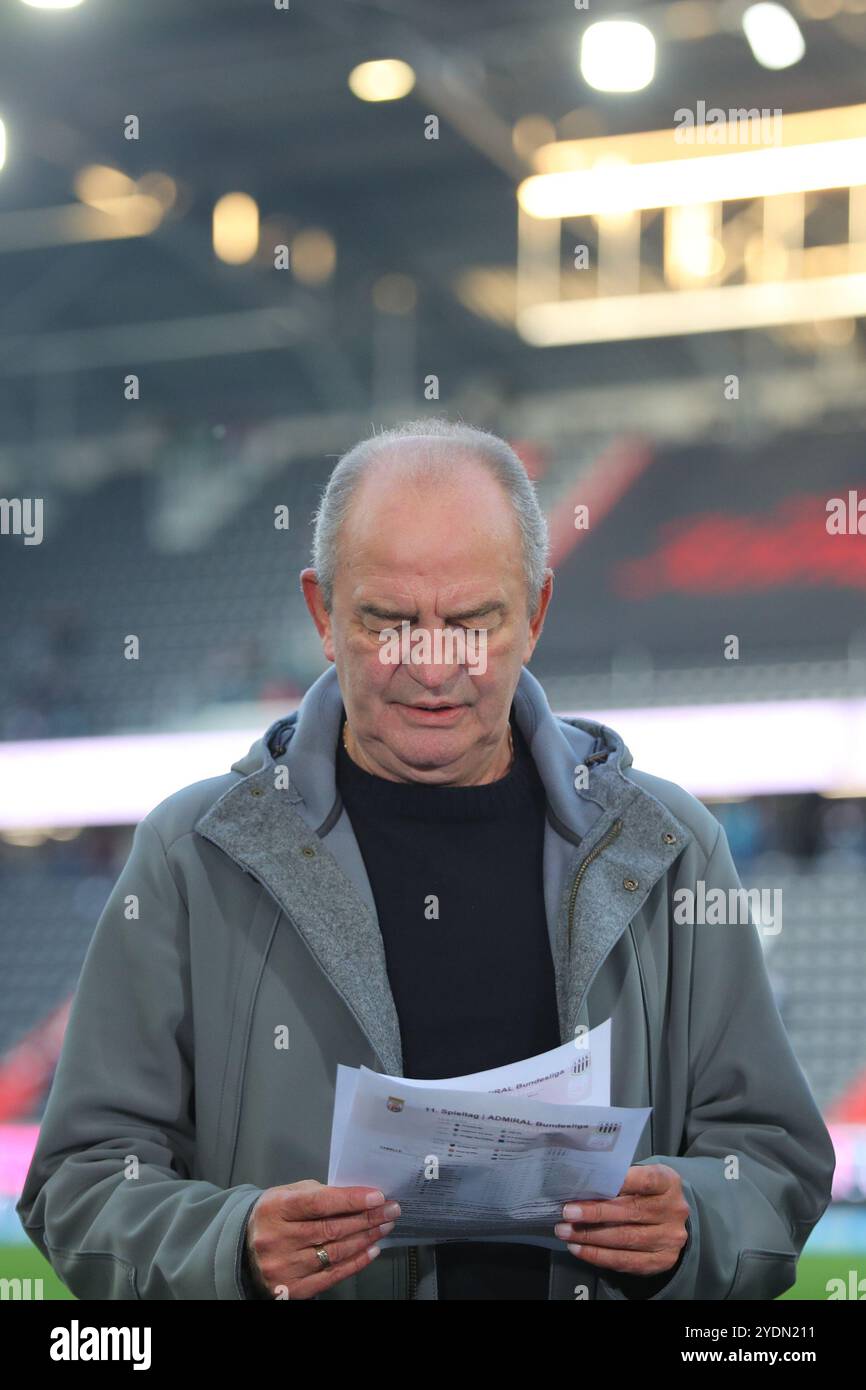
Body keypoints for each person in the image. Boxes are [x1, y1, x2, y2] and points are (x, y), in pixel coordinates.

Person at [18, 417, 835, 1299]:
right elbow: (81, 1181)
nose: (435, 665)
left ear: (535, 614)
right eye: (391, 621)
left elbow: (774, 1158)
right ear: (322, 615)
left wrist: (695, 1222)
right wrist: (230, 1247)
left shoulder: (670, 847)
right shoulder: (191, 859)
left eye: (473, 622)